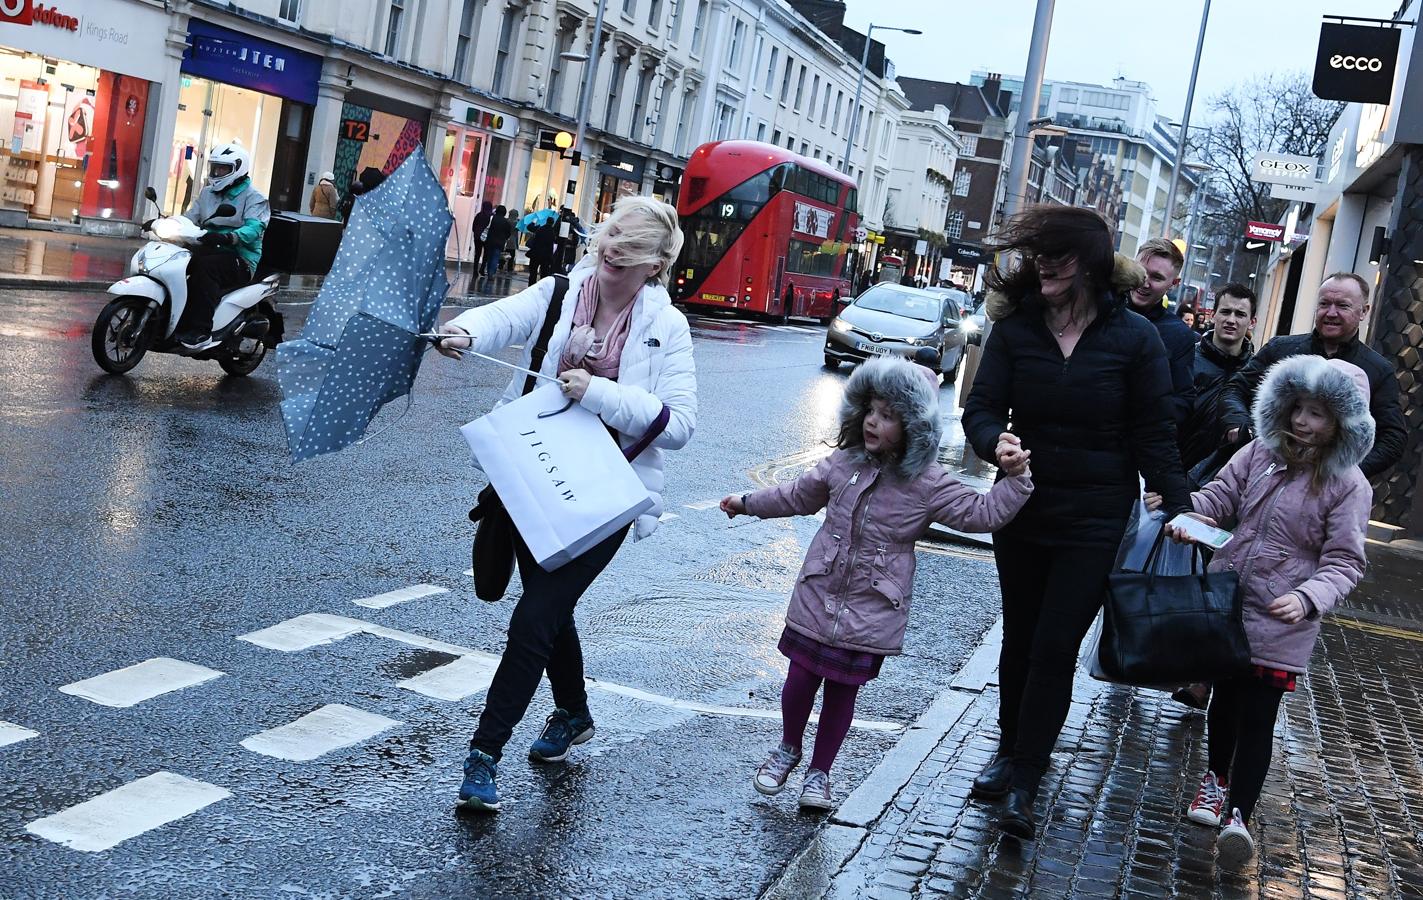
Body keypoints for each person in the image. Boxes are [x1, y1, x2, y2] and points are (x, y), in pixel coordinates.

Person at [434, 196, 697, 813]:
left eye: (629, 249)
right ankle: (574, 712)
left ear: (654, 264)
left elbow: (680, 423)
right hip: (534, 473)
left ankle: (483, 755)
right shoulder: (561, 290)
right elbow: (505, 317)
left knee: (535, 616)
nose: (611, 252)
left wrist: (600, 392)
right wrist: (466, 331)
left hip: (604, 492)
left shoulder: (668, 328)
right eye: (609, 238)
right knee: (549, 611)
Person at [961, 205, 1191, 840]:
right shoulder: (1016, 330)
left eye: (1056, 258)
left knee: (1056, 647)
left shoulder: (1135, 339)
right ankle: (1008, 752)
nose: (1043, 269)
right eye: (1037, 258)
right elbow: (979, 409)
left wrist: (1182, 505)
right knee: (1021, 639)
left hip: (1093, 519)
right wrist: (993, 444)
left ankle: (1029, 776)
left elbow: (1154, 433)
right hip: (1022, 509)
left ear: (1089, 264)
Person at [721, 356, 1033, 811]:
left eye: (888, 415)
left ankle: (820, 773)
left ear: (913, 426)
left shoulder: (928, 483)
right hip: (820, 588)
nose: (873, 421)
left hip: (872, 603)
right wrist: (748, 502)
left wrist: (1017, 479)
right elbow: (795, 496)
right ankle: (788, 748)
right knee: (800, 678)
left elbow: (981, 514)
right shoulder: (843, 462)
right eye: (870, 409)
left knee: (841, 692)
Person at [1151, 355, 1372, 870]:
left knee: (1258, 717)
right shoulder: (1259, 453)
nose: (1302, 422)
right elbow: (1220, 497)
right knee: (1224, 704)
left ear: (1342, 422)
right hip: (1231, 602)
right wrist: (1191, 516)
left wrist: (1308, 597)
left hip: (1283, 618)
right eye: (1297, 408)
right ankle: (1215, 782)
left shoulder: (1349, 486)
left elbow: (1344, 561)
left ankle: (1240, 817)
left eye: (1318, 413)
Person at [1219, 273, 1406, 481]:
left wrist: (1342, 473)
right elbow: (1235, 389)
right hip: (1262, 475)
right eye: (1324, 303)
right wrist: (1240, 426)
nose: (1331, 313)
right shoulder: (1281, 350)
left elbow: (1392, 438)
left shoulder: (1378, 370)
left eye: (1342, 306)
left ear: (1363, 311)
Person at [176, 142, 269, 350]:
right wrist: (167, 224)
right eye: (215, 168)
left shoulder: (256, 198)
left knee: (206, 268)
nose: (216, 173)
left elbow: (254, 228)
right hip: (209, 247)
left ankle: (201, 331)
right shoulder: (207, 193)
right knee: (176, 263)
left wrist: (229, 238)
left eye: (222, 169)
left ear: (238, 168)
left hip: (240, 257)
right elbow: (190, 218)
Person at [1180, 284, 1259, 481]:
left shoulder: (1257, 373)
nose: (1231, 320)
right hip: (1176, 472)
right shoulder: (1185, 359)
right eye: (1225, 312)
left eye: (1240, 314)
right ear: (1213, 315)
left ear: (1252, 322)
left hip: (1226, 483)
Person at [1129, 238, 1198, 429]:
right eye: (1141, 272)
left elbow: (1182, 403)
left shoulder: (1179, 335)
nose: (1144, 283)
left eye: (1156, 278)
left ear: (1174, 283)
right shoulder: (1101, 311)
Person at [481, 204, 513, 282]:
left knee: (489, 257)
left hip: (490, 241)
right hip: (500, 243)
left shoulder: (492, 218)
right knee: (495, 257)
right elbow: (508, 233)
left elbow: (487, 227)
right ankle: (492, 273)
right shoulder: (506, 222)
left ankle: (489, 272)